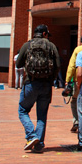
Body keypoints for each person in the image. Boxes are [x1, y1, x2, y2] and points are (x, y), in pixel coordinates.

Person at [15, 24, 60, 153]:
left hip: (30, 83)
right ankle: (39, 144)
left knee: (23, 110)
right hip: (46, 85)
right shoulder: (51, 46)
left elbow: (18, 64)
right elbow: (57, 66)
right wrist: (52, 79)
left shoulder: (27, 45)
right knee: (42, 115)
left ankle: (31, 136)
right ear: (45, 34)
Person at [65, 33, 82, 134]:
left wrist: (68, 79)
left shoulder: (78, 50)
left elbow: (72, 65)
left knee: (74, 101)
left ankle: (76, 121)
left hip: (78, 81)